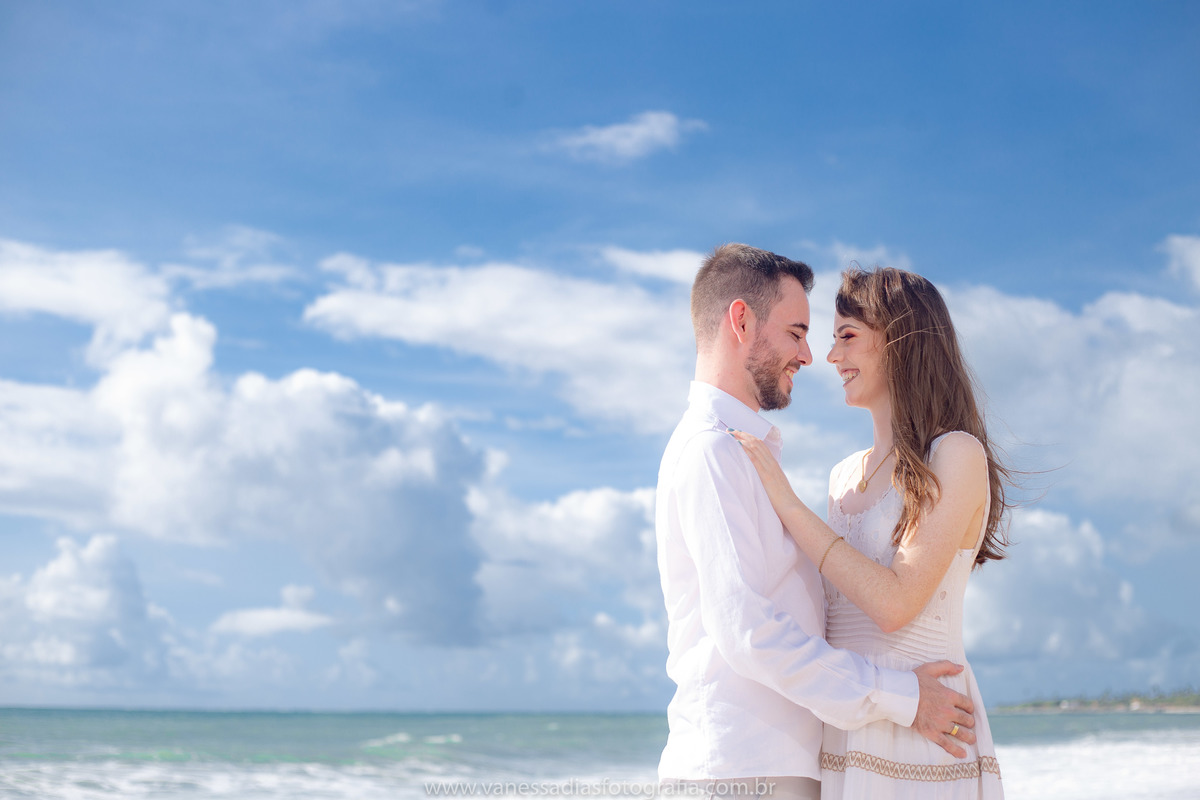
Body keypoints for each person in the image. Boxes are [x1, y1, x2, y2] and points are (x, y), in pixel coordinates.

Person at [657, 245, 977, 800]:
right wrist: (899, 696)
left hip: (827, 751)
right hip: (744, 768)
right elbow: (749, 631)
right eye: (798, 332)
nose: (813, 355)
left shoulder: (750, 453)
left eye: (837, 335)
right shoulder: (715, 450)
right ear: (741, 320)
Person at [730, 265, 1011, 798]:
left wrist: (787, 504)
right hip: (851, 722)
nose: (832, 357)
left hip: (930, 726)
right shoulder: (842, 475)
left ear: (902, 341)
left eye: (847, 337)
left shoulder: (955, 454)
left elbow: (895, 604)